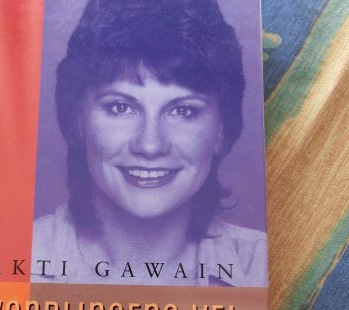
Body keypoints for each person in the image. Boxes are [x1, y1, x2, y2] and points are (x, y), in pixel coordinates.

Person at [31, 0, 267, 287]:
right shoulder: (16, 261)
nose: (150, 145)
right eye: (120, 107)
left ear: (221, 130)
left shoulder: (262, 270)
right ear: (78, 121)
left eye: (183, 110)